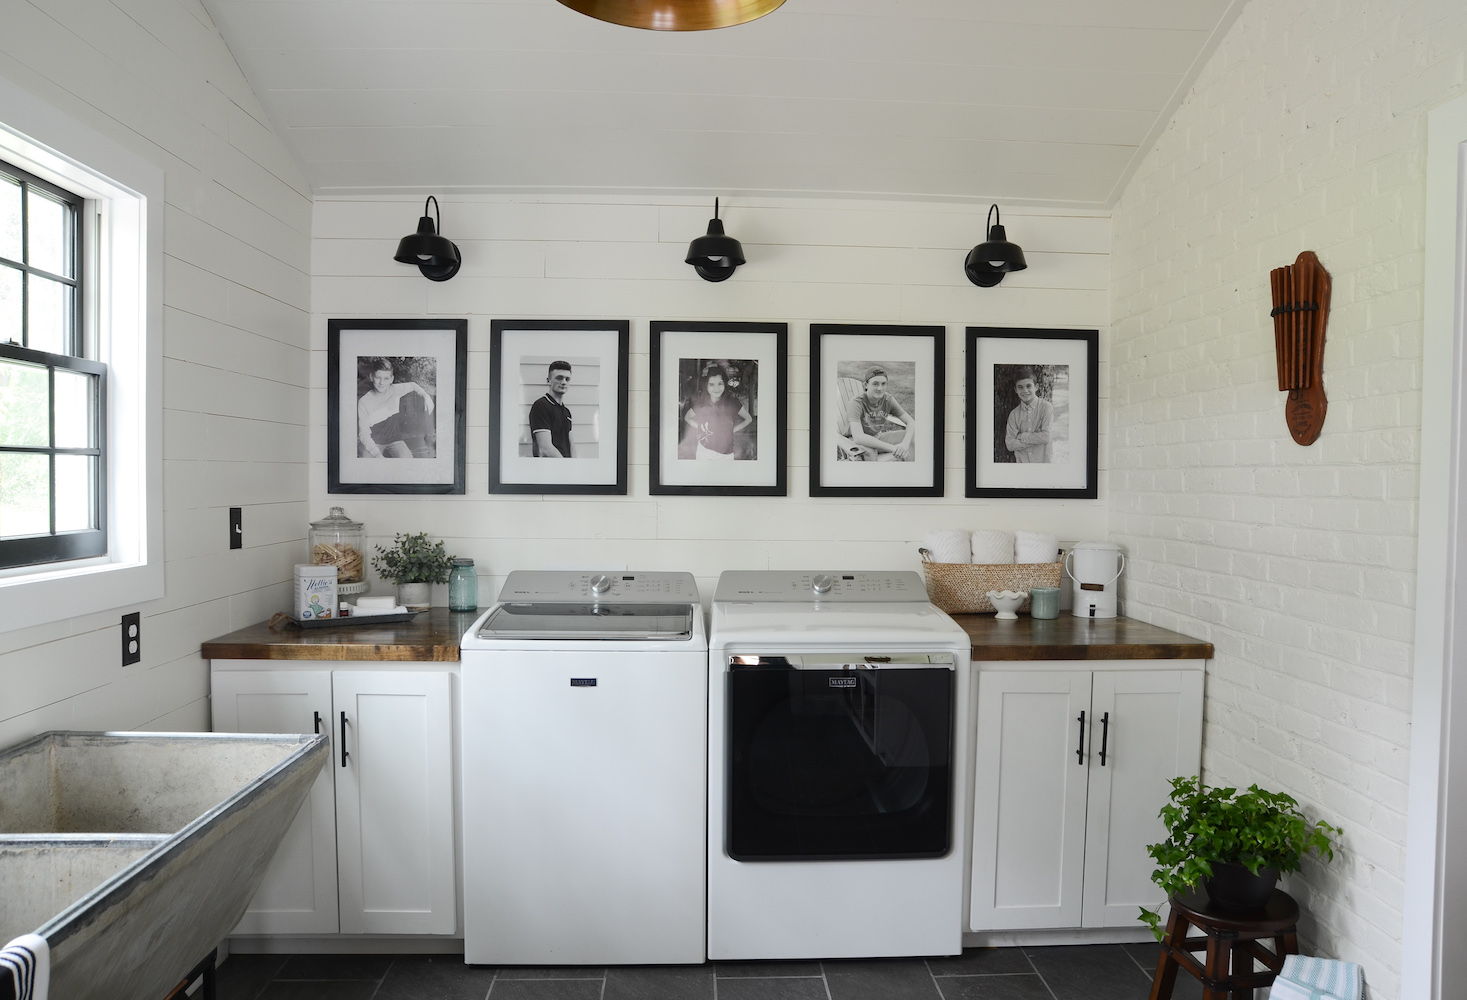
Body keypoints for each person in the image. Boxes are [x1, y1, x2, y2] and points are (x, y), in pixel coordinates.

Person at [357, 358, 435, 458]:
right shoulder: (364, 402)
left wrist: (425, 395)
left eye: (386, 378)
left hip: (395, 440)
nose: (381, 382)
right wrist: (376, 454)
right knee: (366, 463)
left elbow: (413, 385)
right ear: (372, 377)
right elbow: (364, 434)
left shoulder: (395, 390)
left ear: (391, 379)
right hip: (373, 442)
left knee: (408, 461)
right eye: (378, 378)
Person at [845, 366, 915, 462]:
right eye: (875, 384)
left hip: (878, 437)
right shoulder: (856, 403)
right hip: (854, 442)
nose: (879, 388)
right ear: (866, 385)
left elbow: (911, 421)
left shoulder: (887, 399)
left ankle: (907, 471)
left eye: (883, 384)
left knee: (914, 436)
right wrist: (893, 448)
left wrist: (905, 444)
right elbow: (858, 437)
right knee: (870, 451)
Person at [684, 364, 752, 460]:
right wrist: (700, 427)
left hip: (725, 455)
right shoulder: (702, 403)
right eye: (711, 384)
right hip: (704, 452)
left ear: (724, 384)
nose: (716, 388)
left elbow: (748, 419)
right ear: (706, 386)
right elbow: (687, 417)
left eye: (720, 383)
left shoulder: (732, 403)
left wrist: (733, 429)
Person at [1004, 367, 1053, 463]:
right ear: (1015, 390)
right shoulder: (1014, 414)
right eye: (1020, 387)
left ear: (1036, 387)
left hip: (1043, 461)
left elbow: (1046, 437)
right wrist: (1036, 440)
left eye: (1028, 386)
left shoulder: (1046, 407)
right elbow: (1010, 444)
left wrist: (1021, 436)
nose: (1025, 390)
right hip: (1022, 462)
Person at [529, 360, 574, 458]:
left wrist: (574, 466)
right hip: (549, 468)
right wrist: (566, 468)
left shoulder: (567, 412)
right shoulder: (541, 406)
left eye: (567, 379)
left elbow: (571, 445)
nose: (563, 382)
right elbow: (545, 448)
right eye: (559, 378)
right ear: (548, 380)